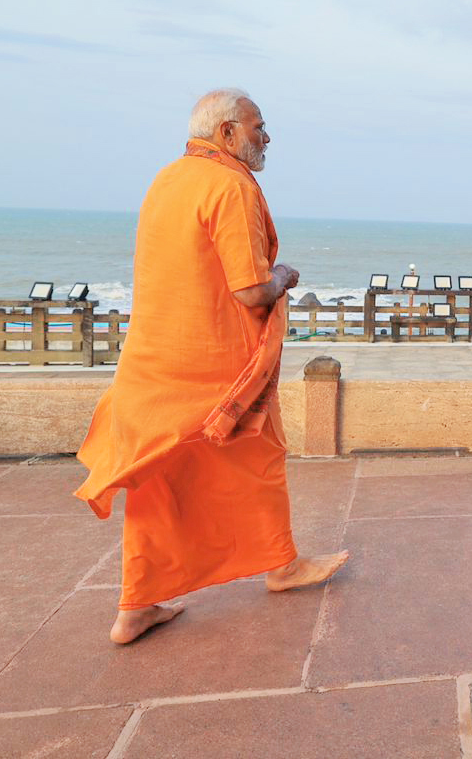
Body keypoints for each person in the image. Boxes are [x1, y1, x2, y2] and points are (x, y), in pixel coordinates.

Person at [75, 89, 348, 644]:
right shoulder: (230, 185)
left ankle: (136, 607)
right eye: (258, 127)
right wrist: (285, 276)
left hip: (154, 367)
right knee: (262, 456)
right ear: (226, 133)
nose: (266, 138)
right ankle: (282, 566)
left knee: (157, 483)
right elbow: (250, 289)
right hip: (218, 370)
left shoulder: (168, 179)